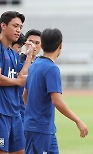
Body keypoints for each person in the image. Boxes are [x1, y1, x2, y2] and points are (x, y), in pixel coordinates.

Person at [23, 28, 88, 153]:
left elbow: (25, 95)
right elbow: (57, 101)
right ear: (60, 45)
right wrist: (78, 120)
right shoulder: (52, 69)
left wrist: (32, 114)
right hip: (40, 129)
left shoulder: (35, 64)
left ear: (41, 45)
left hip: (44, 128)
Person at [0, 11, 34, 153]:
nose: (19, 30)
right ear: (3, 25)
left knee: (20, 151)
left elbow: (21, 76)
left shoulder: (13, 53)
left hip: (15, 113)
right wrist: (17, 82)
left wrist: (29, 57)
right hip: (1, 113)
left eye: (20, 27)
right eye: (15, 26)